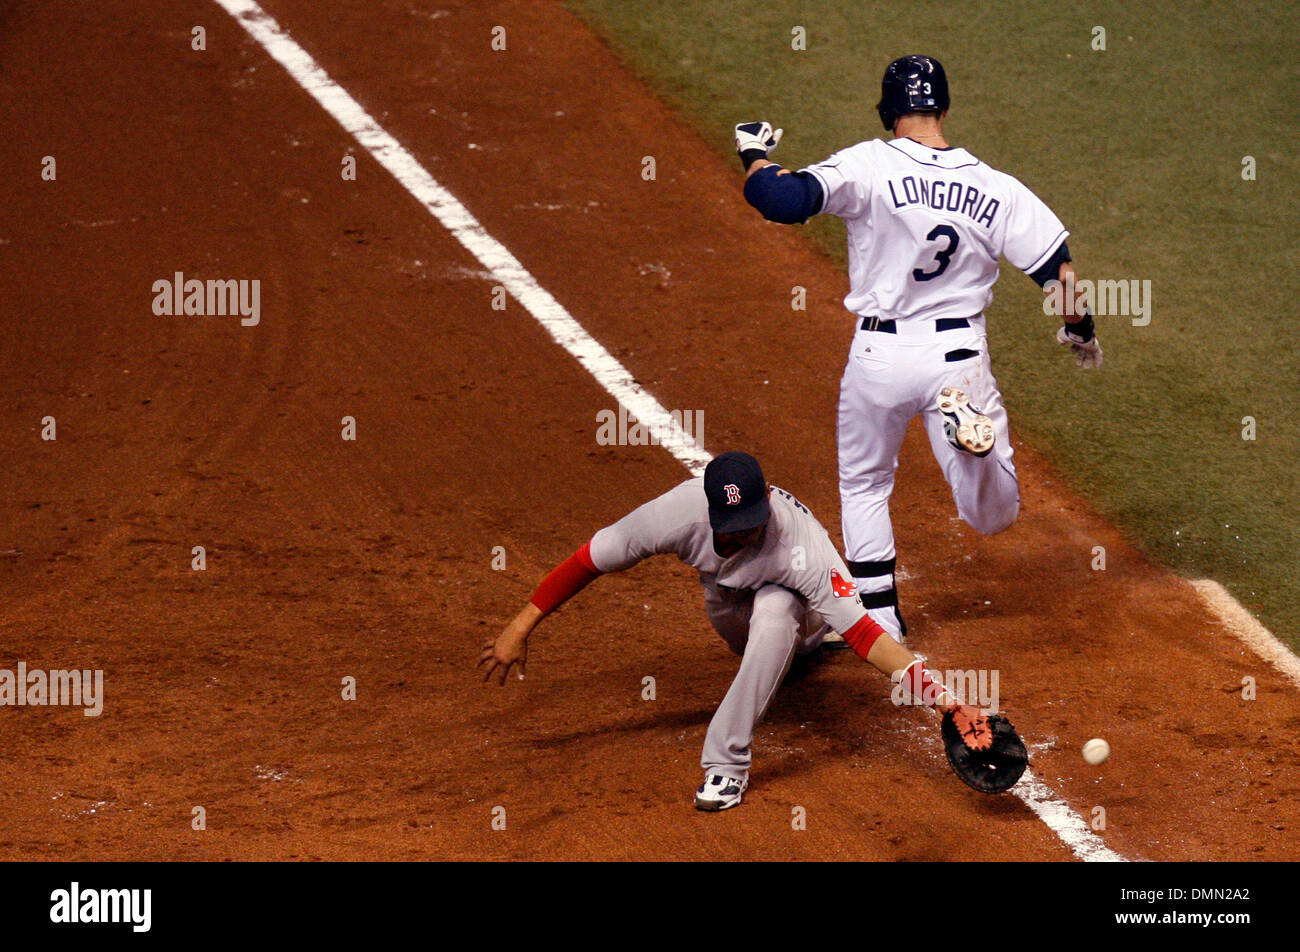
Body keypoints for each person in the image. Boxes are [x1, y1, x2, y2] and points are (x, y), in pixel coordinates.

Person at [734, 55, 1101, 641]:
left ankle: (879, 614)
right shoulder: (996, 186)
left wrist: (755, 152)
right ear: (944, 108)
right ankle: (974, 452)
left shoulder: (868, 164)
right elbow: (1058, 273)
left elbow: (779, 201)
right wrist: (1079, 328)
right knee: (993, 517)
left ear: (889, 110)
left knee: (864, 482)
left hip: (879, 356)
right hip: (958, 356)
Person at [480, 451, 997, 811]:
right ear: (710, 511)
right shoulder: (675, 517)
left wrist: (948, 702)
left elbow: (867, 636)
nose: (744, 531)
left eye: (753, 519)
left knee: (777, 617)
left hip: (797, 601)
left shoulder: (800, 547)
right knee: (756, 636)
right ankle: (790, 654)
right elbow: (590, 559)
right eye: (733, 523)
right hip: (726, 603)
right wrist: (520, 625)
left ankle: (726, 763)